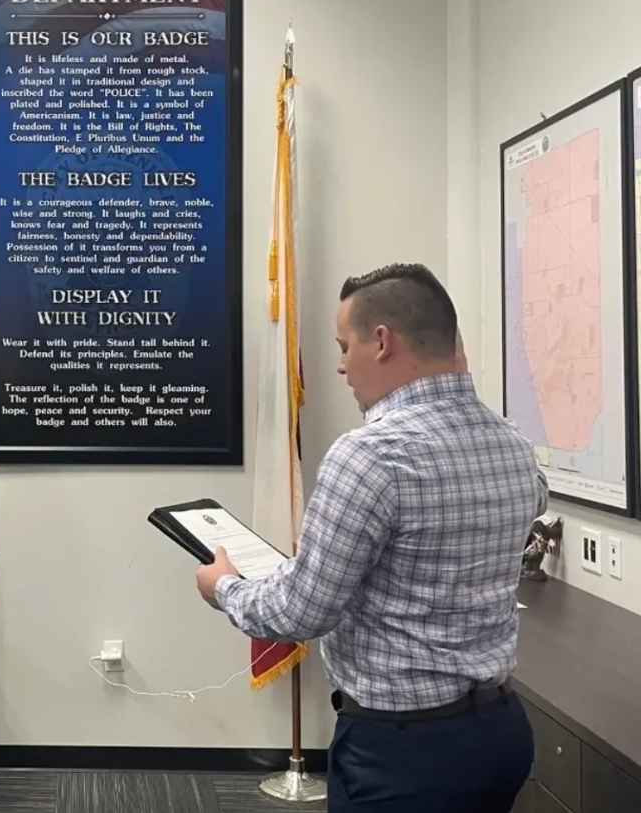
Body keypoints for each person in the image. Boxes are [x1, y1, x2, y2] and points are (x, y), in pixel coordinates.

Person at [195, 263, 545, 812]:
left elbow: (301, 613)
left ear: (381, 342)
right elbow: (527, 502)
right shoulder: (514, 444)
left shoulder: (369, 456)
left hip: (403, 753)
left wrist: (224, 588)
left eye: (343, 347)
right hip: (500, 734)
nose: (339, 366)